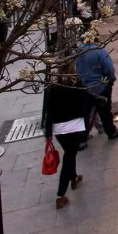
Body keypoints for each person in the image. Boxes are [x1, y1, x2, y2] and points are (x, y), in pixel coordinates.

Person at [42, 62, 102, 209]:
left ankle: (74, 178)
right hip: (75, 126)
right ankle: (60, 194)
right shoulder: (77, 84)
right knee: (69, 155)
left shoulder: (52, 88)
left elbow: (48, 111)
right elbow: (89, 97)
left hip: (59, 129)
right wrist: (101, 100)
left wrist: (48, 132)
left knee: (70, 152)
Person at [74, 40, 118, 141]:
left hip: (85, 87)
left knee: (86, 112)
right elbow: (109, 68)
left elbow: (77, 69)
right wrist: (111, 79)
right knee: (105, 111)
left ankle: (83, 138)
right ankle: (111, 131)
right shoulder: (100, 51)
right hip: (100, 85)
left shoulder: (79, 52)